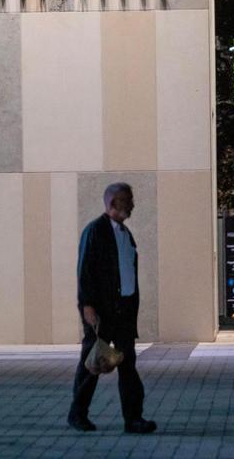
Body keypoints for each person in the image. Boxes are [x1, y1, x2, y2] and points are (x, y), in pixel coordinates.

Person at [67, 182, 158, 434]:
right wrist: (87, 306)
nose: (132, 204)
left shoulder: (125, 233)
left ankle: (134, 418)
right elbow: (84, 270)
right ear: (111, 203)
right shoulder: (95, 231)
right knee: (93, 363)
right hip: (102, 310)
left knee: (128, 363)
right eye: (126, 200)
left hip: (125, 309)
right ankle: (77, 414)